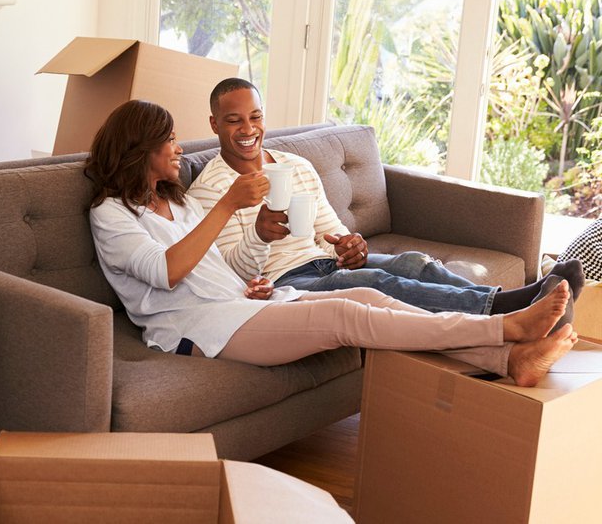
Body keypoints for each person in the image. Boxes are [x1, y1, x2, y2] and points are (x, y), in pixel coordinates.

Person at [85, 99, 577, 388]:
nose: (178, 147)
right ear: (139, 150)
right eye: (168, 140)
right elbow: (167, 271)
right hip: (197, 329)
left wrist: (255, 263)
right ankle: (503, 328)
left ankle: (509, 360)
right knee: (346, 316)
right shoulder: (110, 215)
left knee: (367, 296)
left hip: (240, 304)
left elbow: (217, 264)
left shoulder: (176, 201)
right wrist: (229, 206)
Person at [187, 77, 585, 315]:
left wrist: (350, 246)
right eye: (233, 120)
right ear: (214, 124)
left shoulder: (295, 166)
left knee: (412, 263)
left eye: (254, 117)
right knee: (376, 279)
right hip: (284, 284)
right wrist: (259, 234)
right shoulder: (210, 190)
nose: (247, 129)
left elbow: (331, 231)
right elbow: (234, 272)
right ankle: (508, 308)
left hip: (323, 263)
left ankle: (514, 298)